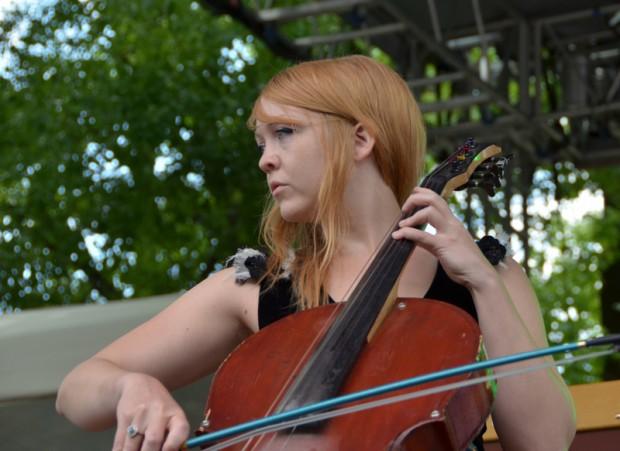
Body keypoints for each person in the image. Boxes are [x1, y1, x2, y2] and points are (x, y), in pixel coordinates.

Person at [56, 55, 576, 451]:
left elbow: (546, 442)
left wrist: (482, 282)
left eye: (284, 133)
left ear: (360, 139)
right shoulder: (258, 287)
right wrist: (133, 384)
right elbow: (77, 391)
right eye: (261, 142)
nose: (265, 160)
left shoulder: (484, 273)